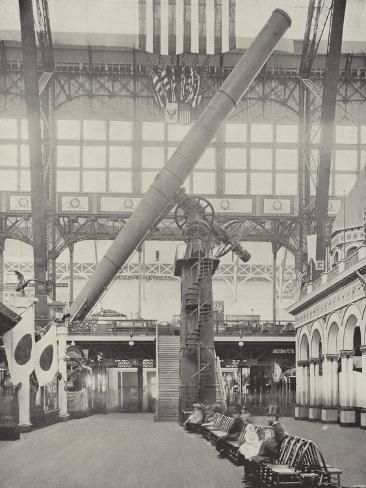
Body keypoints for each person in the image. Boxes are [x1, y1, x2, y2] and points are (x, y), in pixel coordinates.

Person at [243, 405, 285, 487]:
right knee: (248, 456)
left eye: (269, 417)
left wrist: (266, 444)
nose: (268, 419)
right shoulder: (272, 427)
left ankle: (254, 482)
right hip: (266, 451)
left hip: (271, 454)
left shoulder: (278, 428)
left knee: (254, 460)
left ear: (274, 417)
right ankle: (249, 478)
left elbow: (278, 444)